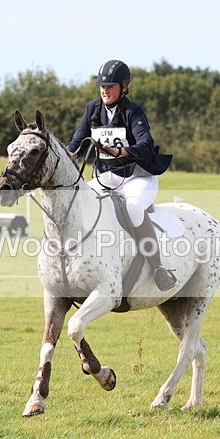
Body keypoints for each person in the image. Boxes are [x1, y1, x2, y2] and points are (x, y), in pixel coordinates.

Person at [66, 59, 176, 291]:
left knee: (134, 208)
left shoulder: (132, 111)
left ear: (124, 87)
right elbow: (76, 142)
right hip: (105, 178)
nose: (105, 90)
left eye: (110, 86)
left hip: (136, 177)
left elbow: (146, 144)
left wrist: (120, 151)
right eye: (102, 86)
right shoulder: (92, 109)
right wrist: (66, 155)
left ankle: (158, 268)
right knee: (78, 203)